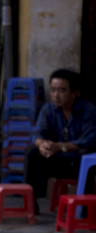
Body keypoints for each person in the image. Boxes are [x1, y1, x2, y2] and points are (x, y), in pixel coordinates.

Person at [24, 68, 96, 206]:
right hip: (57, 159)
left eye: (62, 90)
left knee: (86, 156)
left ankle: (85, 208)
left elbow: (88, 141)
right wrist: (43, 145)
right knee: (32, 152)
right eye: (53, 90)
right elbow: (37, 134)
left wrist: (60, 146)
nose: (56, 95)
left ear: (74, 93)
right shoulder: (48, 109)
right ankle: (31, 204)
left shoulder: (88, 111)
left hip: (77, 162)